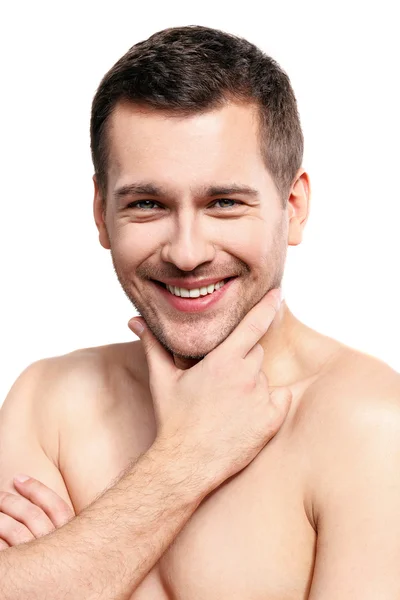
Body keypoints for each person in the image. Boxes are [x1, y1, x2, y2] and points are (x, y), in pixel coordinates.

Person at [0, 24, 399, 600]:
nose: (187, 252)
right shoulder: (47, 401)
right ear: (100, 213)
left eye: (225, 203)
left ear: (294, 206)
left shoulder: (370, 424)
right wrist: (181, 462)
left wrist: (67, 573)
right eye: (147, 203)